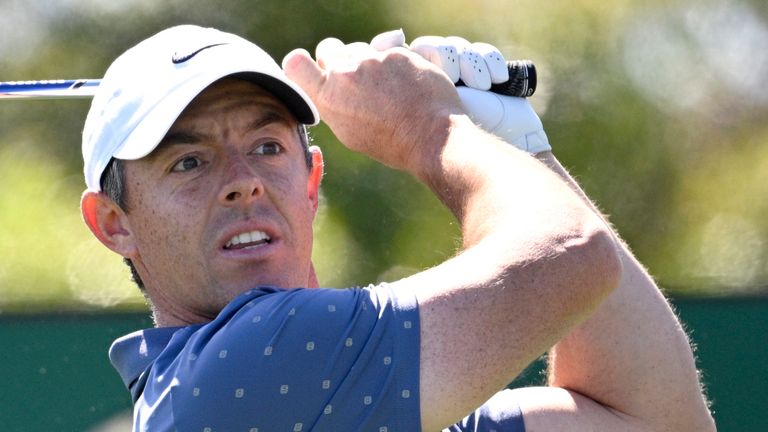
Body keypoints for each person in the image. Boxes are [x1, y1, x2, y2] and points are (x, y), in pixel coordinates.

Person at [80, 25, 714, 431]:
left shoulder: (351, 398)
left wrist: (517, 144)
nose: (243, 180)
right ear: (114, 224)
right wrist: (433, 129)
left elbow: (654, 421)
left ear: (310, 180)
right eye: (189, 161)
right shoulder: (240, 369)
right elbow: (573, 254)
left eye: (268, 147)